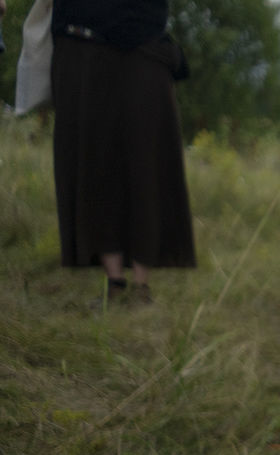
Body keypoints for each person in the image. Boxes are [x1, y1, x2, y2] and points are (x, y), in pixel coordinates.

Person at [51, 0, 196, 305]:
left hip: (141, 45)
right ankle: (115, 281)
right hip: (84, 45)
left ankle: (141, 286)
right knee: (94, 166)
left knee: (145, 165)